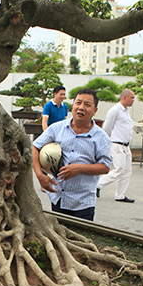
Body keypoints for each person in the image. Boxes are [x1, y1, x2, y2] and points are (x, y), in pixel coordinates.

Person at [32, 88, 111, 221]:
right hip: (58, 198)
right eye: (78, 103)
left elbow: (105, 167)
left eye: (87, 105)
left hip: (83, 203)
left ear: (94, 111)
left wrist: (80, 168)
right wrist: (40, 175)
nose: (81, 107)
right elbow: (35, 146)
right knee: (60, 236)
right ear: (72, 105)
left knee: (79, 239)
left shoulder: (101, 137)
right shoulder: (57, 128)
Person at [96, 89, 136, 203]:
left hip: (126, 146)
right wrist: (104, 143)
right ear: (125, 97)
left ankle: (120, 195)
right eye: (132, 97)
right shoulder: (115, 110)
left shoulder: (126, 111)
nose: (133, 100)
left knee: (127, 171)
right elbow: (107, 128)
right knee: (119, 169)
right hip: (116, 144)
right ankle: (98, 185)